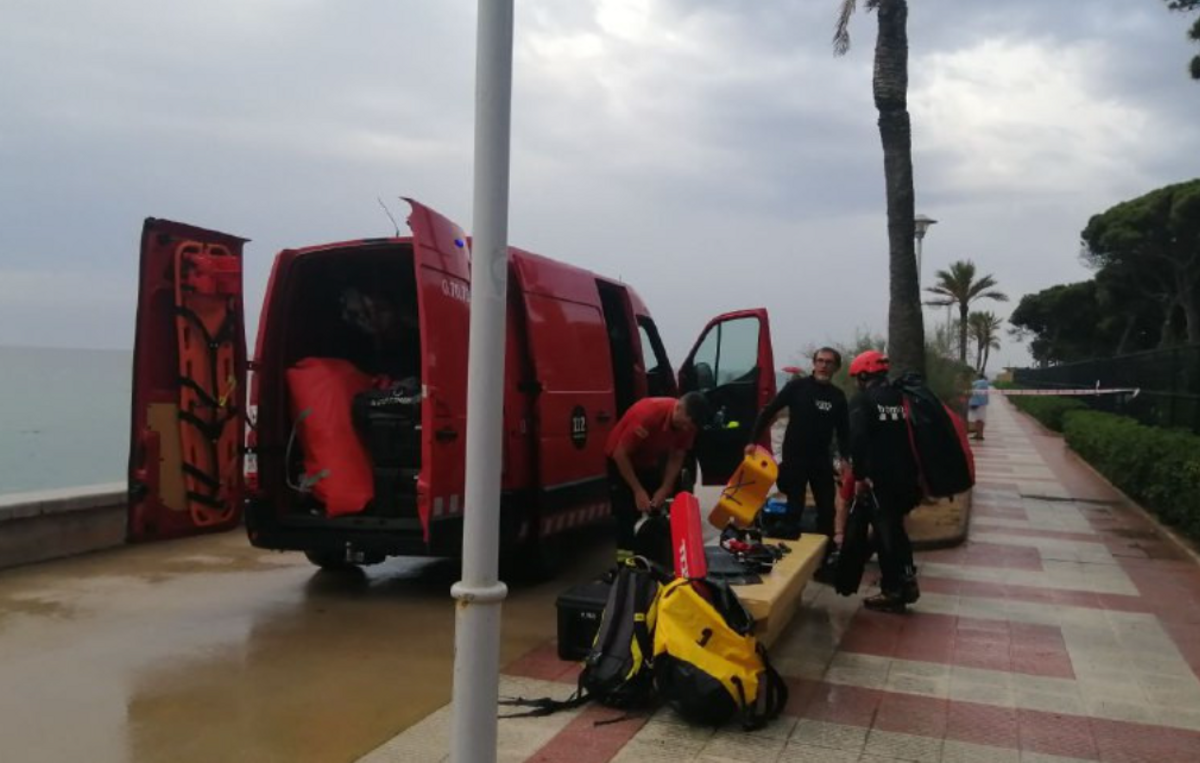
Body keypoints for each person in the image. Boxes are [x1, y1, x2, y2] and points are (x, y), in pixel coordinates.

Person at [746, 347, 850, 541]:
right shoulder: (798, 387)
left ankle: (824, 553)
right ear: (814, 363)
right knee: (794, 508)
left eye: (829, 362)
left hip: (821, 459)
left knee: (827, 509)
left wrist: (845, 458)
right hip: (795, 457)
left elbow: (844, 431)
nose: (823, 366)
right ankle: (790, 550)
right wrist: (752, 441)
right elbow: (768, 411)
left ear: (836, 367)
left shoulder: (837, 396)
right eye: (820, 361)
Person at [846, 350, 920, 613]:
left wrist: (859, 477)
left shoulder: (863, 400)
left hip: (880, 479)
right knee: (897, 531)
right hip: (907, 476)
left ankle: (894, 589)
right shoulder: (901, 397)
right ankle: (907, 580)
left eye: (856, 376)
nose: (856, 381)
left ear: (864, 374)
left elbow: (858, 440)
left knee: (886, 534)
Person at [606, 393, 711, 563]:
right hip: (621, 461)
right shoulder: (648, 415)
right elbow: (620, 454)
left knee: (655, 509)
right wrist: (638, 490)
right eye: (685, 424)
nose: (686, 430)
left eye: (689, 428)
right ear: (678, 408)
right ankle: (624, 566)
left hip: (648, 461)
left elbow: (677, 455)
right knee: (626, 516)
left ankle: (651, 560)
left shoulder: (688, 425)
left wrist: (665, 488)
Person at [968, 373, 990, 440]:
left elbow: (976, 392)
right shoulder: (984, 383)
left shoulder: (979, 383)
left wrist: (975, 403)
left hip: (977, 404)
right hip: (981, 403)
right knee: (980, 419)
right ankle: (979, 435)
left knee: (977, 419)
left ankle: (978, 434)